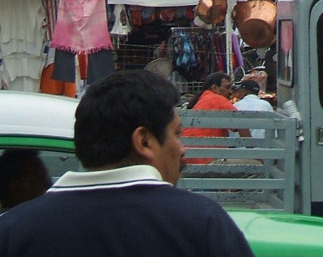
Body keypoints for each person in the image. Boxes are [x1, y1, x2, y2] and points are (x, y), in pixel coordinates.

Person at [0, 70, 254, 256]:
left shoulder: (14, 231)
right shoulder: (202, 223)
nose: (182, 149)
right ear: (144, 141)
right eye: (176, 134)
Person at [183, 72, 248, 165]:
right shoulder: (217, 99)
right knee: (257, 164)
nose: (230, 91)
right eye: (227, 87)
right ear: (215, 88)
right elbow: (242, 125)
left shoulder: (203, 99)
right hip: (206, 161)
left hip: (190, 159)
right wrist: (254, 152)